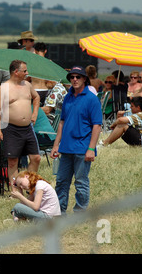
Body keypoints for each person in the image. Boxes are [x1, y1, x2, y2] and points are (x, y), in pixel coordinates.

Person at [50, 66, 102, 214]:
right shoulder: (67, 97)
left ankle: (80, 213)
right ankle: (60, 212)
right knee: (61, 182)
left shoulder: (92, 99)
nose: (74, 79)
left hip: (82, 148)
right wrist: (56, 146)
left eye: (78, 77)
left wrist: (91, 149)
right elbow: (62, 122)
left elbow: (97, 126)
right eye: (72, 77)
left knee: (81, 183)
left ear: (84, 79)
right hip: (66, 148)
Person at [0, 60, 41, 189]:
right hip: (11, 128)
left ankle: (28, 184)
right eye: (25, 71)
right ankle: (15, 190)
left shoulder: (27, 85)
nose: (27, 73)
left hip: (27, 128)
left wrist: (35, 113)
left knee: (36, 158)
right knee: (13, 161)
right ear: (16, 72)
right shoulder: (3, 88)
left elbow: (36, 97)